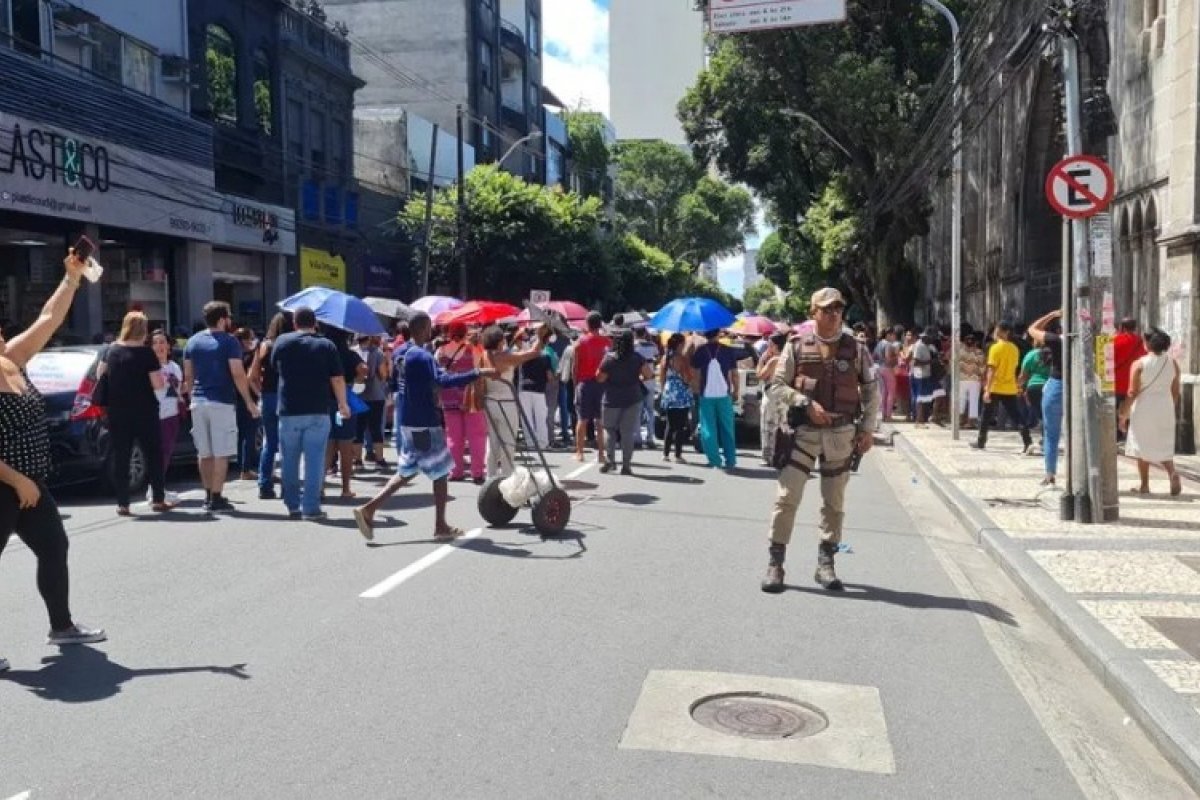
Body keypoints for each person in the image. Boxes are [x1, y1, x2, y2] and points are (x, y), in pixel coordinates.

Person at [1, 250, 105, 671]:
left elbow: (49, 317)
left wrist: (72, 277)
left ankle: (61, 627)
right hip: (8, 483)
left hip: (28, 483)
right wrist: (17, 481)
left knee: (53, 546)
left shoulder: (12, 360)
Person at [761, 288, 879, 593]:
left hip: (841, 436)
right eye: (827, 309)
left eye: (838, 309)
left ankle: (826, 564)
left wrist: (867, 429)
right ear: (813, 312)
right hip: (803, 434)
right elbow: (776, 386)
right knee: (786, 498)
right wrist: (803, 403)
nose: (833, 314)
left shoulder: (857, 348)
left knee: (834, 503)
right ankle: (776, 564)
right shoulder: (797, 346)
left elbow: (870, 390)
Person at [353, 313, 494, 541]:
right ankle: (440, 526)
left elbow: (408, 381)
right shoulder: (422, 355)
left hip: (407, 419)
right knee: (440, 471)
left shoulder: (401, 352)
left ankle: (369, 509)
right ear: (426, 328)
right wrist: (477, 373)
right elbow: (442, 381)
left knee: (408, 470)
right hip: (424, 421)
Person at [270, 307, 351, 521]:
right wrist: (343, 404)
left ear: (294, 323)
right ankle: (311, 506)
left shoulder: (282, 342)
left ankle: (292, 504)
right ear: (315, 323)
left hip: (288, 409)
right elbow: (337, 379)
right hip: (317, 409)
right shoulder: (326, 345)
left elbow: (274, 367)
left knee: (289, 460)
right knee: (315, 460)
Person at [183, 301, 260, 513]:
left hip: (198, 401)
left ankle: (207, 494)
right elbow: (237, 373)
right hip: (221, 401)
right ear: (221, 319)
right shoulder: (230, 342)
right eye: (228, 317)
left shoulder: (193, 341)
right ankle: (216, 496)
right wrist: (249, 401)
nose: (230, 321)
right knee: (221, 452)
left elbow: (189, 374)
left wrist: (192, 397)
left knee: (204, 452)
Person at [98, 311, 168, 515]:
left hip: (117, 411)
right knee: (154, 453)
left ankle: (123, 503)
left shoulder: (110, 350)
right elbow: (158, 383)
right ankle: (158, 499)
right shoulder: (147, 354)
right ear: (143, 329)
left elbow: (100, 374)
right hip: (145, 409)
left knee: (122, 455)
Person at [1121, 328, 1184, 496]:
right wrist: (1171, 407)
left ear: (1148, 343)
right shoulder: (1173, 363)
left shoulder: (1139, 364)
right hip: (1165, 407)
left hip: (1144, 408)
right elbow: (1175, 390)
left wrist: (1124, 414)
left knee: (1142, 447)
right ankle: (1172, 473)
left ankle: (1144, 485)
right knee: (1163, 445)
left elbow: (1132, 392)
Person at [481, 326, 543, 478]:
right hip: (505, 402)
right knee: (508, 443)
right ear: (500, 340)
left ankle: (491, 478)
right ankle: (507, 479)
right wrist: (541, 336)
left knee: (493, 443)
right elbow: (533, 353)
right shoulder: (504, 357)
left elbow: (508, 353)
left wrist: (515, 339)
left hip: (490, 401)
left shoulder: (483, 355)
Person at [436, 322, 488, 484]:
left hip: (448, 396)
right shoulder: (472, 350)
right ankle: (477, 472)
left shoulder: (440, 351)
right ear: (465, 333)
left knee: (453, 436)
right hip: (470, 397)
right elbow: (481, 369)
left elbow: (437, 374)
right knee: (476, 435)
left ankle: (456, 471)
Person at [248, 312, 292, 500]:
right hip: (288, 397)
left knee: (270, 442)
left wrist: (260, 393)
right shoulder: (292, 345)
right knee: (288, 444)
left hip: (268, 396)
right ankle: (287, 486)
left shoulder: (264, 345)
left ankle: (264, 484)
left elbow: (252, 376)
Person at [971, 321, 1033, 453]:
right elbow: (1015, 368)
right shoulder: (1014, 348)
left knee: (986, 415)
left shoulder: (995, 348)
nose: (994, 332)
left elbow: (991, 370)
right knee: (1016, 416)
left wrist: (987, 390)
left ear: (1002, 332)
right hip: (1009, 387)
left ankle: (981, 441)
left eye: (996, 330)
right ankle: (1028, 441)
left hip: (995, 387)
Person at [596, 330, 652, 475]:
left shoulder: (609, 358)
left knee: (609, 430)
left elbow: (599, 378)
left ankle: (610, 461)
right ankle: (626, 465)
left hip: (611, 399)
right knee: (627, 433)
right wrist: (638, 379)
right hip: (633, 398)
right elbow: (648, 374)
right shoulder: (637, 358)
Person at [690, 328, 742, 470]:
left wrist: (696, 389)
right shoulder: (727, 350)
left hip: (706, 394)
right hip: (724, 394)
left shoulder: (700, 351)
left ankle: (714, 460)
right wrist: (736, 390)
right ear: (718, 334)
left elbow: (694, 373)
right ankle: (730, 460)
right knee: (727, 427)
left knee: (708, 428)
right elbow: (734, 373)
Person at [324, 326, 365, 498]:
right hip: (345, 400)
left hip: (325, 400)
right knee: (345, 445)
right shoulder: (350, 355)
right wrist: (358, 380)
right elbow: (363, 370)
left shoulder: (323, 352)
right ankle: (346, 488)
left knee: (327, 445)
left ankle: (320, 486)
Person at [1026, 310, 1064, 485]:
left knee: (1051, 433)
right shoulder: (1088, 339)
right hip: (1080, 387)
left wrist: (1051, 314)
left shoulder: (1056, 341)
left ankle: (1050, 474)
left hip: (1058, 385)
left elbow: (1032, 329)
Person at [572, 312, 612, 463]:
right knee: (600, 421)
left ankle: (580, 452)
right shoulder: (608, 343)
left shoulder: (580, 342)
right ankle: (601, 453)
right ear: (600, 324)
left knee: (582, 419)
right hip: (602, 383)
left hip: (585, 383)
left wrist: (575, 385)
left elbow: (575, 368)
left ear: (587, 324)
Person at [150, 329, 184, 499]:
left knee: (167, 452)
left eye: (162, 342)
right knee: (158, 453)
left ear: (169, 346)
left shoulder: (175, 367)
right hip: (154, 415)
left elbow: (178, 388)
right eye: (155, 343)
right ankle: (155, 489)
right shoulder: (149, 367)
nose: (159, 346)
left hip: (172, 414)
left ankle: (158, 487)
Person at [353, 334, 390, 473]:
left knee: (358, 428)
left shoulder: (354, 351)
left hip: (357, 395)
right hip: (375, 395)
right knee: (376, 428)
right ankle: (379, 459)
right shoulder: (378, 352)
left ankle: (357, 460)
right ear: (368, 338)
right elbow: (383, 374)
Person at [517, 325, 556, 449]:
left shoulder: (524, 356)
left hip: (524, 388)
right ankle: (543, 443)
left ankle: (530, 443)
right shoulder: (545, 357)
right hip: (539, 390)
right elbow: (550, 377)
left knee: (527, 418)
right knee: (540, 417)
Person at [658, 333, 694, 463]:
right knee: (680, 425)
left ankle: (665, 453)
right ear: (680, 344)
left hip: (669, 391)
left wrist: (663, 391)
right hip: (680, 392)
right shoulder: (682, 358)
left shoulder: (665, 357)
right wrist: (690, 380)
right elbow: (687, 376)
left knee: (670, 424)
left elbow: (661, 377)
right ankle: (677, 454)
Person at [1113, 317, 1146, 442]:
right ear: (1135, 327)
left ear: (1122, 327)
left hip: (1117, 382)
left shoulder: (1115, 340)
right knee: (1132, 408)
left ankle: (1116, 434)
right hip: (1134, 382)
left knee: (1115, 409)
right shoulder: (1141, 342)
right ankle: (1129, 435)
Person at [233, 327, 260, 482]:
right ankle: (246, 469)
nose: (252, 341)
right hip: (248, 398)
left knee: (242, 434)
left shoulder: (235, 357)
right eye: (250, 338)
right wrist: (258, 395)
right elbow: (250, 378)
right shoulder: (249, 357)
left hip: (236, 398)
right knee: (249, 434)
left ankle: (242, 466)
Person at [757, 333, 788, 464]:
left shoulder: (774, 360)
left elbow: (761, 375)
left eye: (770, 344)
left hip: (772, 393)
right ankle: (783, 454)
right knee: (783, 425)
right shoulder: (788, 358)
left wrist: (761, 361)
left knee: (768, 426)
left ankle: (768, 456)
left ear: (775, 346)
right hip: (785, 394)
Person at [1018, 327, 1052, 443]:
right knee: (1046, 414)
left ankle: (1033, 434)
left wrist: (1020, 388)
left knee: (1039, 413)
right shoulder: (1053, 354)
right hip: (1049, 386)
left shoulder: (1031, 355)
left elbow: (1023, 375)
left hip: (1033, 387)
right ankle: (1045, 438)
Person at [633, 327, 660, 449]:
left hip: (638, 380)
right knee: (650, 410)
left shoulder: (633, 346)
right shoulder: (652, 345)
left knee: (637, 411)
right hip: (650, 379)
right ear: (644, 333)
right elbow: (657, 358)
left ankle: (637, 438)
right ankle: (650, 437)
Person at [958, 332, 986, 428]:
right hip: (975, 380)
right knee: (973, 401)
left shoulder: (960, 352)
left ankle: (960, 420)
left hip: (961, 379)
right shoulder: (979, 352)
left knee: (961, 400)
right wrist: (983, 380)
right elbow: (982, 367)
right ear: (976, 343)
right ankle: (971, 422)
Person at [872, 328, 900, 422]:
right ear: (888, 335)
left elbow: (874, 356)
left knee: (883, 392)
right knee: (891, 392)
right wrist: (896, 357)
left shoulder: (879, 344)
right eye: (893, 335)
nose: (894, 337)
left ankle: (883, 415)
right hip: (887, 368)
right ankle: (888, 415)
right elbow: (888, 358)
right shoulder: (888, 344)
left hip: (879, 368)